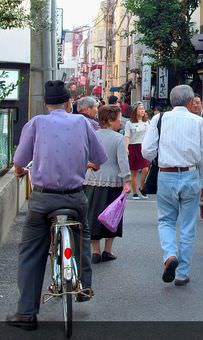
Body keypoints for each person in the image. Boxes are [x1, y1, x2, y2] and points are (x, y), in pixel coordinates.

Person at [6, 81, 107, 330]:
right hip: (74, 197)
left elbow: (19, 161)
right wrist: (86, 164)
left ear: (46, 104)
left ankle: (26, 313)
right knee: (82, 235)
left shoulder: (37, 124)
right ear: (69, 102)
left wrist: (20, 172)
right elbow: (99, 158)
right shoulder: (83, 123)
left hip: (43, 199)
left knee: (31, 251)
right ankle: (83, 287)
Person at [142, 85, 203, 286]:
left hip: (166, 174)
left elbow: (147, 151)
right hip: (191, 174)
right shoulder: (199, 122)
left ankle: (170, 255)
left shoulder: (159, 119)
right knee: (188, 226)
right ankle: (182, 274)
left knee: (166, 220)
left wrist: (161, 156)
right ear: (191, 102)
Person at [84, 105, 131, 264]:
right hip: (113, 182)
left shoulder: (92, 136)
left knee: (92, 216)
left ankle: (95, 251)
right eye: (118, 118)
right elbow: (122, 161)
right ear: (110, 121)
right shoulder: (118, 138)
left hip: (91, 180)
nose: (120, 121)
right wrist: (127, 181)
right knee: (112, 216)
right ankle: (107, 250)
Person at [125, 102, 150, 200]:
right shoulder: (129, 123)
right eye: (140, 109)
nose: (142, 111)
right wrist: (126, 148)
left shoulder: (147, 122)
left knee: (145, 169)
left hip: (143, 147)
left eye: (143, 109)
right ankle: (135, 192)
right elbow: (127, 136)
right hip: (133, 147)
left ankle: (141, 187)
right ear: (135, 111)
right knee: (134, 172)